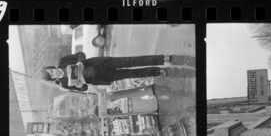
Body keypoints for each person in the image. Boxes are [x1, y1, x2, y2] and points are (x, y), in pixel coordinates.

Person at [43, 51, 193, 90]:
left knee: (132, 61)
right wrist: (79, 85)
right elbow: (84, 88)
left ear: (52, 68)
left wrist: (80, 62)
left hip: (101, 64)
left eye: (51, 71)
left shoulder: (63, 61)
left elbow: (80, 54)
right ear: (53, 78)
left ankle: (162, 59)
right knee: (131, 74)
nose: (53, 73)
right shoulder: (64, 84)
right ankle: (157, 71)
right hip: (102, 76)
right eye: (51, 75)